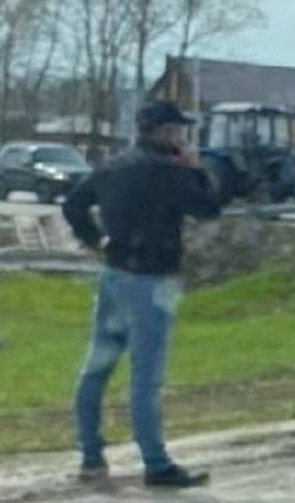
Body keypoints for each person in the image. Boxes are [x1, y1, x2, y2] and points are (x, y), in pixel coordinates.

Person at [62, 100, 221, 489]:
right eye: (178, 129)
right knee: (145, 377)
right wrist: (197, 170)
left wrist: (95, 239)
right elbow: (208, 208)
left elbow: (73, 205)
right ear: (165, 131)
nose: (181, 136)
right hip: (152, 280)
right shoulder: (168, 171)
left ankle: (92, 458)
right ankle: (156, 462)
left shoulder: (113, 165)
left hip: (114, 275)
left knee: (96, 367)